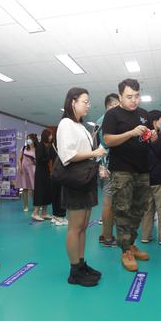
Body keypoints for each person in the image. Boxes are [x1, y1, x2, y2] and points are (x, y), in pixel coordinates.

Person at [102, 79, 157, 272]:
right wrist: (131, 133)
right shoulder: (112, 114)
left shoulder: (144, 114)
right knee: (123, 211)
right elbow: (108, 140)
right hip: (122, 170)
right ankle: (125, 250)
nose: (134, 100)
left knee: (139, 209)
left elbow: (148, 138)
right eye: (129, 96)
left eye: (137, 96)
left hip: (142, 170)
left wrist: (153, 136)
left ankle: (131, 244)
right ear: (120, 97)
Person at [56, 87, 107, 286]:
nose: (88, 105)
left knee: (84, 226)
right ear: (73, 102)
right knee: (75, 227)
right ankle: (74, 271)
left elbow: (86, 153)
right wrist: (94, 154)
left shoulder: (81, 126)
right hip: (75, 181)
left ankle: (81, 263)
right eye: (85, 101)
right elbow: (67, 155)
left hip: (86, 179)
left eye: (88, 102)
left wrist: (97, 164)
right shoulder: (66, 124)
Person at [140, 110, 161, 245]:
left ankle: (145, 236)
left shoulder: (141, 138)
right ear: (154, 122)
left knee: (147, 209)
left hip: (145, 178)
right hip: (160, 177)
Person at [95, 93, 119, 247]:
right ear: (109, 106)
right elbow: (106, 144)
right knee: (109, 203)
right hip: (110, 165)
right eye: (116, 105)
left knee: (108, 202)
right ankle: (108, 237)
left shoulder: (99, 121)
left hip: (104, 164)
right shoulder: (107, 120)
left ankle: (104, 234)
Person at [32, 129, 54, 222]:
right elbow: (39, 159)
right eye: (50, 135)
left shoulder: (48, 146)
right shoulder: (40, 146)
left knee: (46, 191)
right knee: (40, 191)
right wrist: (48, 158)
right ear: (46, 136)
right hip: (40, 172)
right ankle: (35, 213)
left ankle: (44, 213)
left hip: (46, 171)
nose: (51, 137)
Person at [50, 134, 68, 226]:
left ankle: (55, 216)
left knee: (55, 196)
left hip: (54, 175)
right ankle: (60, 217)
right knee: (61, 196)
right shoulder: (65, 151)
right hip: (60, 175)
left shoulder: (58, 151)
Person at [18, 133, 37, 212]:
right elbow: (19, 159)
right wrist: (20, 166)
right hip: (24, 170)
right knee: (24, 188)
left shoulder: (37, 149)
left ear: (33, 140)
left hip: (33, 170)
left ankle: (36, 206)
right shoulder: (23, 148)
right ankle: (25, 206)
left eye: (30, 138)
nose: (28, 140)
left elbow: (38, 161)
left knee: (34, 189)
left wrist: (35, 161)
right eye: (27, 138)